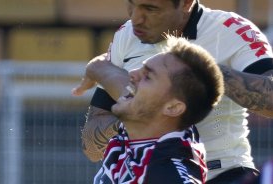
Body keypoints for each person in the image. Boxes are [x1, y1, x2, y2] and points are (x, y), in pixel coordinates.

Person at [72, 0, 273, 183]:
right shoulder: (126, 35)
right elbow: (91, 148)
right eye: (132, 4)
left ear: (186, 3)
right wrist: (140, 117)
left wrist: (203, 71)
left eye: (150, 8)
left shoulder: (231, 29)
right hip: (141, 174)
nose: (136, 18)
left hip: (225, 174)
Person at [90, 37, 224, 184]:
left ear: (173, 108)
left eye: (147, 76)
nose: (132, 73)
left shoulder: (168, 172)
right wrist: (93, 68)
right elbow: (106, 73)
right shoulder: (140, 127)